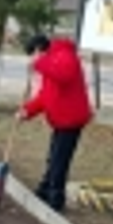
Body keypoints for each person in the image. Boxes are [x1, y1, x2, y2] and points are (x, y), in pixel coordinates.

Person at [16, 33, 93, 212]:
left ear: (39, 50)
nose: (33, 61)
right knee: (54, 156)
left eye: (33, 55)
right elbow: (45, 96)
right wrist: (27, 111)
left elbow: (64, 75)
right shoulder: (51, 62)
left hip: (71, 118)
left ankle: (55, 199)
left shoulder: (65, 55)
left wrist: (39, 63)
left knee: (60, 160)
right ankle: (45, 190)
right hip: (61, 119)